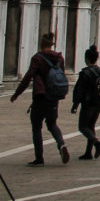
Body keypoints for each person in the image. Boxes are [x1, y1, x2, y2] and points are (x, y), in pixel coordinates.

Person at [10, 32, 70, 166]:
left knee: (37, 127)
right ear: (52, 44)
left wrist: (17, 93)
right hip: (54, 96)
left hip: (40, 96)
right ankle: (61, 144)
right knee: (52, 124)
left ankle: (39, 158)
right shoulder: (59, 58)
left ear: (41, 44)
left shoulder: (38, 58)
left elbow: (28, 76)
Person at [70, 45, 100, 160]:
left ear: (86, 59)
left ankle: (97, 143)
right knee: (91, 126)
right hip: (99, 102)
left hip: (88, 102)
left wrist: (75, 105)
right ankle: (88, 152)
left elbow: (79, 90)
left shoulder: (85, 73)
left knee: (83, 126)